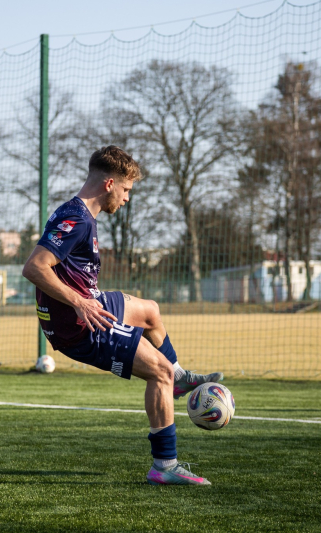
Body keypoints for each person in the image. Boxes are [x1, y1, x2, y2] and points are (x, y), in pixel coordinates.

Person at [22, 146, 223, 486]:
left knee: (150, 312)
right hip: (80, 325)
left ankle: (180, 378)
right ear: (110, 183)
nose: (128, 198)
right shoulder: (77, 219)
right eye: (127, 190)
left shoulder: (80, 213)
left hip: (87, 305)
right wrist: (80, 303)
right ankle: (165, 465)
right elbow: (34, 267)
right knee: (157, 372)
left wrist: (84, 298)